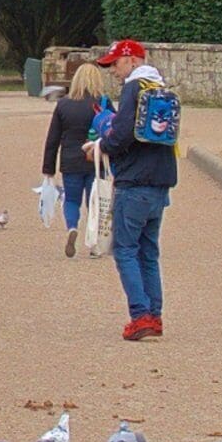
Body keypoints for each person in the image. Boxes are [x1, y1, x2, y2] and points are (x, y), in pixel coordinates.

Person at [92, 39, 180, 340]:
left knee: (125, 249)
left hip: (135, 182)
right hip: (161, 181)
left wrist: (100, 145)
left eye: (115, 64)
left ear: (130, 60)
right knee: (148, 252)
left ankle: (140, 315)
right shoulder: (162, 87)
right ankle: (155, 316)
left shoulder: (134, 88)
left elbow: (122, 135)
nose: (114, 72)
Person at [40, 58, 108, 259]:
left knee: (71, 199)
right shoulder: (103, 103)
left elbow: (53, 138)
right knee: (94, 202)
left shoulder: (64, 105)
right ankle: (94, 243)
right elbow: (114, 131)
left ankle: (71, 227)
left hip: (70, 159)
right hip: (95, 158)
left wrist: (48, 167)